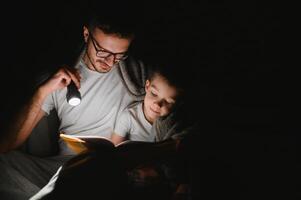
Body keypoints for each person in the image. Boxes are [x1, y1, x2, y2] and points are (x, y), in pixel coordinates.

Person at [0, 8, 149, 199]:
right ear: (86, 34)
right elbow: (7, 142)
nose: (110, 62)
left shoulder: (139, 78)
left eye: (119, 55)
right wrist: (42, 92)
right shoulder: (60, 77)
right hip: (63, 167)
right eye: (103, 52)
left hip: (110, 173)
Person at [111, 65, 184, 145]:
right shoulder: (129, 117)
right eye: (154, 94)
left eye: (168, 102)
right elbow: (113, 147)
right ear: (147, 86)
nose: (157, 104)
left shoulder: (174, 124)